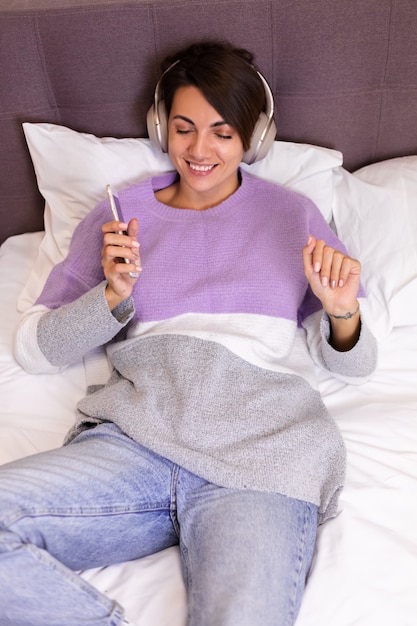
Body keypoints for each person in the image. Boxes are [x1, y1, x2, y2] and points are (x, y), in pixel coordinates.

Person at [0, 41, 377, 626]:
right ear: (160, 126)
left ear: (255, 136)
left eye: (222, 133)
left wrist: (341, 313)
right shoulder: (118, 216)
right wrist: (109, 298)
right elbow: (34, 349)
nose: (200, 151)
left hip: (262, 457)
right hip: (135, 446)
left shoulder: (293, 216)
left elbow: (356, 365)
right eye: (184, 129)